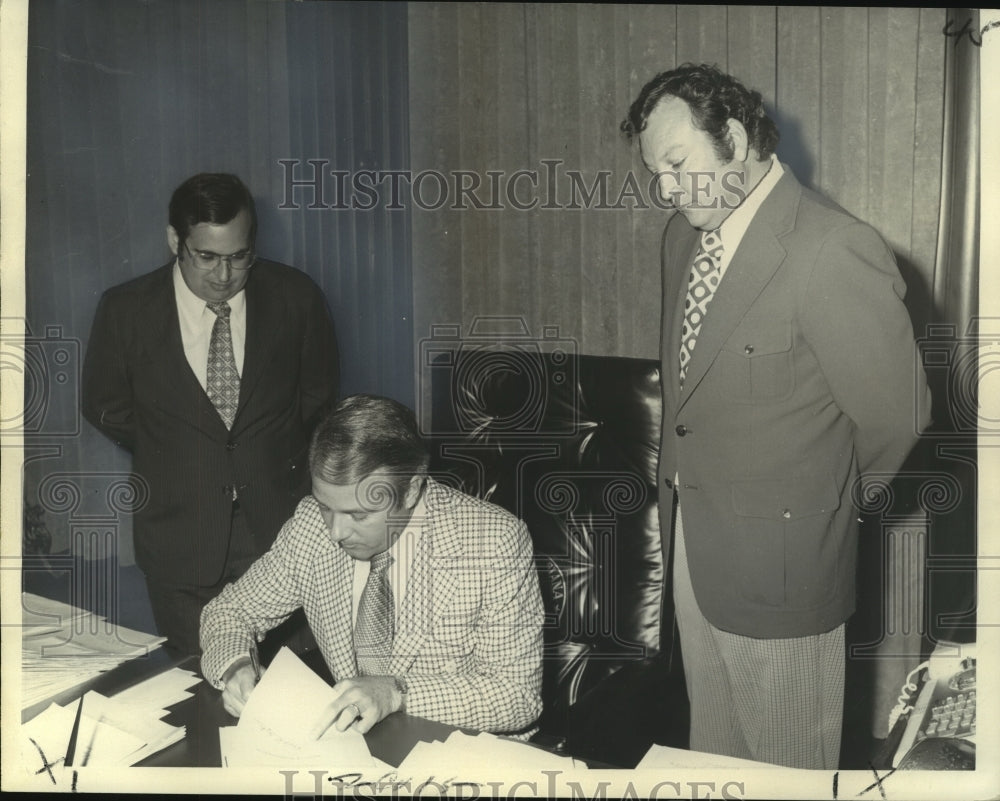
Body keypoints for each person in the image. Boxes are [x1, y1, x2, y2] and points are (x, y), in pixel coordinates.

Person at [621, 64, 932, 769]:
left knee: (787, 773)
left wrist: (828, 508)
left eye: (677, 164)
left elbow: (900, 413)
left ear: (732, 137)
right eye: (655, 173)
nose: (666, 189)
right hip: (694, 554)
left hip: (788, 568)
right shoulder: (682, 237)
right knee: (717, 761)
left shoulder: (831, 247)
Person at [82, 173, 339, 655]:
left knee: (298, 690)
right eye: (207, 257)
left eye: (239, 257)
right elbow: (105, 405)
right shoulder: (125, 310)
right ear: (175, 241)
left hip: (279, 533)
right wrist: (179, 446)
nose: (224, 276)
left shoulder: (295, 297)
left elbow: (316, 398)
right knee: (200, 692)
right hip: (182, 538)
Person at [200, 394, 544, 737]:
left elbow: (518, 695)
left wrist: (395, 692)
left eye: (359, 515)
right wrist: (236, 666)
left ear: (410, 490)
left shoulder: (492, 541)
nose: (335, 532)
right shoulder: (311, 528)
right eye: (325, 506)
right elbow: (229, 612)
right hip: (358, 754)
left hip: (460, 755)